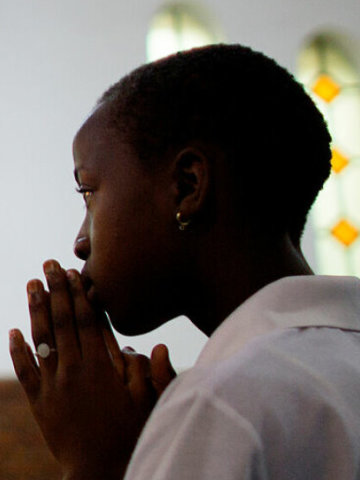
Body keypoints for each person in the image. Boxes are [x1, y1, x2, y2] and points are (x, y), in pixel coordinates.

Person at [9, 44, 360, 479]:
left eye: (89, 193)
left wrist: (99, 464)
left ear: (187, 185)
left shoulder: (222, 404)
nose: (80, 242)